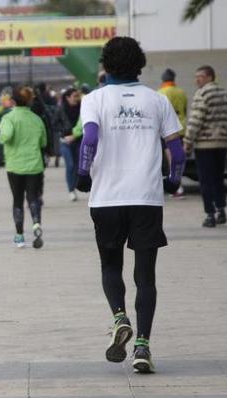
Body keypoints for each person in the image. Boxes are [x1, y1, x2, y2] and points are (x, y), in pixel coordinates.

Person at [75, 36, 184, 374]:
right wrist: (175, 180)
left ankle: (120, 317)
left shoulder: (94, 99)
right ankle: (143, 347)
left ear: (105, 66)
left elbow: (90, 138)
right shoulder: (157, 100)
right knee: (146, 275)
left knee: (110, 265)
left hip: (107, 197)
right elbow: (177, 150)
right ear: (140, 64)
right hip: (146, 197)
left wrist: (83, 173)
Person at [184, 65, 227, 227]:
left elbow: (195, 120)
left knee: (206, 180)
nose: (196, 80)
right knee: (218, 178)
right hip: (221, 144)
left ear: (209, 77)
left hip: (205, 145)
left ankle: (210, 215)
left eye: (200, 76)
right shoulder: (226, 95)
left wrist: (188, 141)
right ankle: (221, 210)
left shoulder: (203, 94)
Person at [0, 87, 47, 249]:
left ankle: (19, 236)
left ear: (13, 101)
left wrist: (1, 137)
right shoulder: (36, 119)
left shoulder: (8, 118)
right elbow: (43, 143)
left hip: (15, 165)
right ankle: (36, 223)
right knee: (33, 197)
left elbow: (6, 136)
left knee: (17, 200)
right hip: (34, 164)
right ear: (29, 101)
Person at [159, 68, 188, 198]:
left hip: (168, 131)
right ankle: (178, 185)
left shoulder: (161, 93)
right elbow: (185, 109)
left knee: (171, 159)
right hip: (181, 128)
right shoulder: (182, 92)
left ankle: (177, 186)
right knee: (178, 156)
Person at [53, 88, 82, 200]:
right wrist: (63, 131)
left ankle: (74, 184)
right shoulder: (61, 109)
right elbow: (54, 124)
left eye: (77, 96)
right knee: (69, 165)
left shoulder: (82, 108)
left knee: (77, 165)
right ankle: (71, 190)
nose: (76, 98)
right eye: (74, 96)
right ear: (68, 97)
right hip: (65, 141)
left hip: (78, 140)